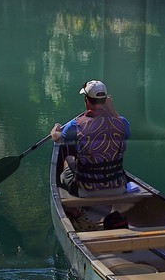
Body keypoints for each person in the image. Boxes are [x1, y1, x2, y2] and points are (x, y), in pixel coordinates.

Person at [53, 80, 131, 228]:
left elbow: (58, 139)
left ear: (86, 101)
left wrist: (54, 130)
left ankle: (75, 210)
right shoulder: (121, 123)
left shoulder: (77, 124)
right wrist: (112, 109)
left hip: (86, 190)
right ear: (106, 100)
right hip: (119, 188)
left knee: (67, 159)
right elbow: (126, 130)